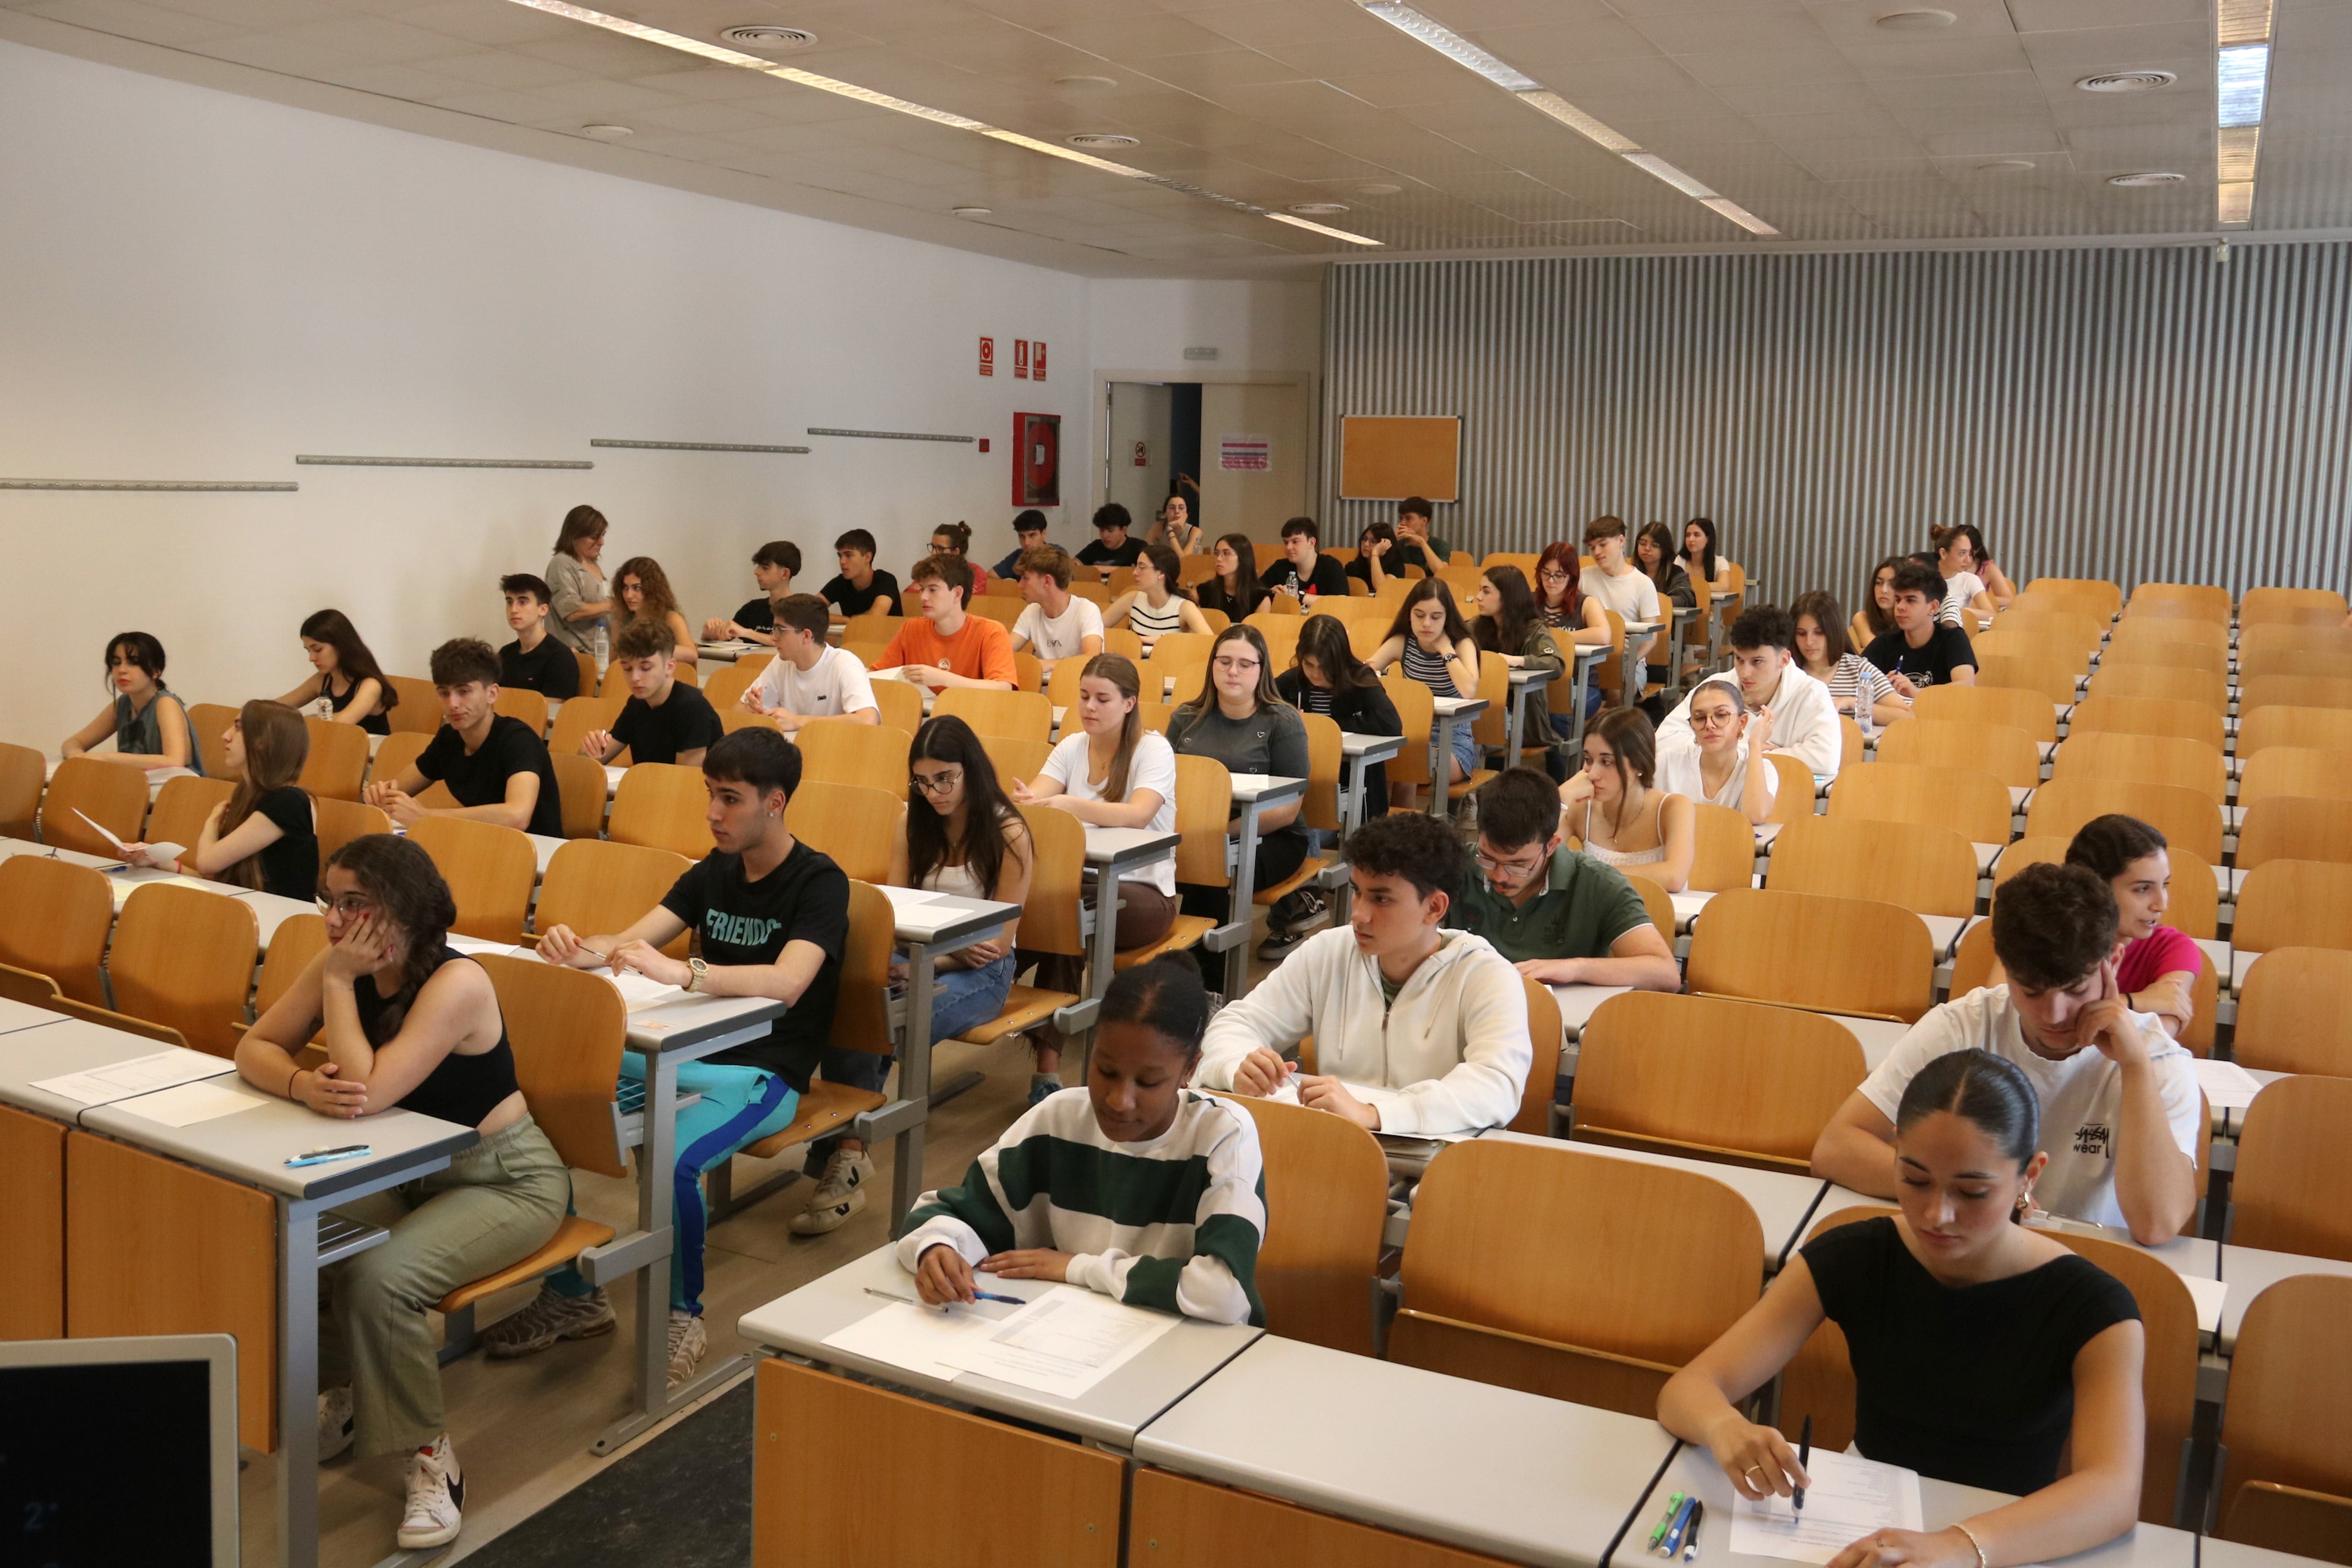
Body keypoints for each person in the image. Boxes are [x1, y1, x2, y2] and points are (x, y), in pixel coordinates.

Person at [1662, 1048, 2147, 1555]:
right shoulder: (1856, 1256)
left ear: (2030, 1175)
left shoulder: (2093, 1308)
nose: (1938, 1214)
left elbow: (2114, 1492)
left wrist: (1960, 1548)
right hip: (1866, 1518)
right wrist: (1726, 1426)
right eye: (1915, 1180)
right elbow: (1688, 1389)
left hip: (2015, 1534)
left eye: (1973, 1191)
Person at [235, 835, 569, 1551]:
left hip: (505, 1178)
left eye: (353, 903)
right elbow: (254, 1048)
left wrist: (334, 988)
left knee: (379, 1278)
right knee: (302, 1237)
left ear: (402, 910)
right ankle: (353, 1394)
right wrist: (298, 1082)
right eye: (331, 900)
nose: (333, 919)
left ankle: (431, 1457)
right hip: (405, 1173)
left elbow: (363, 1093)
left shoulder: (457, 983)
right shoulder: (345, 962)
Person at [505, 728, 849, 1382]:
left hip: (761, 1072)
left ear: (775, 803)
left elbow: (788, 980)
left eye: (731, 799)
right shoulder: (711, 871)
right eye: (710, 796)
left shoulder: (819, 881)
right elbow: (627, 945)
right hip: (674, 1054)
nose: (714, 814)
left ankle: (682, 1314)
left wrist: (685, 973)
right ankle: (576, 1298)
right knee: (531, 1114)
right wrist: (571, 947)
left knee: (669, 1162)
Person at [1811, 863, 2200, 1244]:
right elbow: (1836, 1148)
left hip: (2087, 1264)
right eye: (2030, 992)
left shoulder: (2156, 1058)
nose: (2054, 1014)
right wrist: (1989, 1199)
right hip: (1973, 1247)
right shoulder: (1963, 1025)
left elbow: (2157, 1225)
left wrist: (2135, 1067)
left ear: (2112, 962)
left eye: (2076, 991)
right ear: (2006, 970)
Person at [902, 952, 1264, 1325]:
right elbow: (939, 1214)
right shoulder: (1057, 1118)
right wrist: (938, 1247)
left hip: (1186, 1353)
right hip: (1064, 1337)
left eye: (1148, 1082)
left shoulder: (1224, 1137)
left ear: (1190, 1069)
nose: (1119, 1100)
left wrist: (1076, 1268)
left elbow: (1226, 1293)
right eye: (1106, 1071)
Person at [792, 716, 1033, 1235]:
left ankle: (845, 1147)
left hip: (985, 976)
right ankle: (849, 1147)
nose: (935, 792)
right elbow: (896, 911)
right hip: (922, 958)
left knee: (882, 1019)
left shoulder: (1008, 831)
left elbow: (998, 943)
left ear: (971, 771)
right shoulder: (911, 820)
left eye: (945, 778)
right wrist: (907, 958)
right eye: (923, 782)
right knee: (857, 999)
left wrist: (935, 959)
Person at [1196, 812, 1531, 1137]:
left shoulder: (1487, 976)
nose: (1358, 914)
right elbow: (1236, 1023)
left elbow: (1497, 1084)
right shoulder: (1328, 952)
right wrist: (1237, 1066)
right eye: (1357, 891)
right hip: (1336, 1148)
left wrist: (1375, 1114)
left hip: (1437, 1172)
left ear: (1435, 908)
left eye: (1381, 899)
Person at [1014, 654, 1179, 1103]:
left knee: (1064, 909)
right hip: (1082, 887)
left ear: (1129, 703)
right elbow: (1034, 799)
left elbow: (1139, 813)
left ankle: (1005, 988)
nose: (1090, 707)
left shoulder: (1153, 749)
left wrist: (1070, 806)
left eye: (1102, 699)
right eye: (1084, 696)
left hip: (1146, 895)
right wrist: (1028, 801)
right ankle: (1040, 1057)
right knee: (1061, 908)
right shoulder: (1071, 746)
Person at [1446, 767, 1680, 990]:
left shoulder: (1598, 883)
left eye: (1518, 865)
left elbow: (1666, 973)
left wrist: (1574, 968)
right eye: (1487, 858)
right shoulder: (1455, 865)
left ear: (1551, 846)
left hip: (1561, 1025)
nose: (1499, 875)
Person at [1167, 625, 1314, 956]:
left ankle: (1208, 984)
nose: (1233, 671)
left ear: (1261, 670)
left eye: (1245, 664)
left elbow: (1288, 810)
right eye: (1225, 662)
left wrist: (1216, 835)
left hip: (1274, 837)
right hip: (1192, 833)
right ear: (1212, 666)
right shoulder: (1185, 717)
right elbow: (1162, 787)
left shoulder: (1283, 722)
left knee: (1214, 866)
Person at [363, 640, 562, 837]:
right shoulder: (449, 738)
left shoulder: (518, 740)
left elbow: (518, 816)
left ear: (492, 694)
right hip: (481, 842)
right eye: (444, 693)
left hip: (536, 851)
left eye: (464, 692)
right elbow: (398, 789)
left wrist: (426, 816)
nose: (452, 704)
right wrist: (380, 796)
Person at [125, 700, 317, 899]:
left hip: (281, 922)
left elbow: (207, 863)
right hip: (252, 908)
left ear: (263, 742)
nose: (226, 736)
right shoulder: (247, 792)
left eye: (238, 728)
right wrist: (160, 861)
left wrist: (212, 823)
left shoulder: (289, 803)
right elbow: (223, 882)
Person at [1656, 605, 1844, 779]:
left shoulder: (1812, 694)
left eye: (1757, 662)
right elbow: (1663, 740)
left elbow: (1825, 760)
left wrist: (1720, 748)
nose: (1745, 673)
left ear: (1784, 660)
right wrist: (1748, 750)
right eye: (1739, 659)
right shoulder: (1716, 687)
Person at [2066, 815, 2199, 1039]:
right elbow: (2013, 1010)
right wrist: (2135, 1002)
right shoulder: (2043, 933)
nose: (2161, 904)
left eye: (2164, 885)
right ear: (2094, 887)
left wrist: (2079, 1012)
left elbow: (2157, 1038)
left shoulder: (2173, 947)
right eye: (2143, 889)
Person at [1275, 614, 1400, 820]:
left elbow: (1391, 724)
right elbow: (1262, 705)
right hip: (1305, 781)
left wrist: (1324, 727)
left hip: (1351, 781)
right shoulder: (1293, 681)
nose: (1315, 674)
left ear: (1340, 660)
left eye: (1325, 666)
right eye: (1309, 664)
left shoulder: (1360, 679)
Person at [1558, 707, 1696, 891]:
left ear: (1639, 763)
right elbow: (1537, 865)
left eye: (1606, 762)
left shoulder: (1674, 807)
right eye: (1588, 759)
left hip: (1660, 915)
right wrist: (1561, 799)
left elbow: (1674, 877)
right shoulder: (1579, 807)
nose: (1592, 774)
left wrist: (1587, 874)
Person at [1370, 578, 1482, 804]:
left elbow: (1469, 689)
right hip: (1412, 736)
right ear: (1409, 614)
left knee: (1408, 767)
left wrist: (1445, 650)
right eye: (1419, 615)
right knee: (1382, 763)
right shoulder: (1402, 642)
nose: (1426, 624)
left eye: (1435, 617)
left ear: (1447, 617)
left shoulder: (1462, 644)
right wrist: (1371, 673)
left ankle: (1408, 834)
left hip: (1454, 741)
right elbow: (1367, 670)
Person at [579, 620, 723, 768]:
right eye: (627, 669)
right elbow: (592, 761)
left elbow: (685, 782)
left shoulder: (692, 708)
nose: (635, 677)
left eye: (646, 668)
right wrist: (591, 749)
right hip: (652, 787)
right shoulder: (637, 703)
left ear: (670, 666)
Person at [1471, 565, 1567, 776]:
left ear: (1507, 597)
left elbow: (1556, 664)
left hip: (1523, 718)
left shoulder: (1533, 629)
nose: (1478, 597)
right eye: (1480, 590)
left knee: (1470, 733)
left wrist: (1518, 661)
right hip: (1484, 711)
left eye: (1486, 591)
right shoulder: (1477, 626)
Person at [60, 631, 199, 774]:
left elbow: (175, 761)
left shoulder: (166, 704)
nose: (122, 670)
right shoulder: (123, 704)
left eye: (133, 663)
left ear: (156, 671)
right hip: (137, 787)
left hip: (179, 790)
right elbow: (73, 743)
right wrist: (77, 756)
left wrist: (107, 759)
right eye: (116, 663)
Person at [872, 556, 1016, 690]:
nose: (923, 597)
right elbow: (879, 674)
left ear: (957, 594)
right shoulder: (910, 628)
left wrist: (944, 679)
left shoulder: (991, 632)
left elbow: (1003, 687)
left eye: (933, 590)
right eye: (922, 589)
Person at [1654, 676, 1778, 825]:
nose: (1709, 725)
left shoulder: (1763, 768)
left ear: (1742, 722)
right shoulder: (1666, 762)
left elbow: (1754, 816)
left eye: (1721, 715)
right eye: (1699, 718)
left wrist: (1756, 746)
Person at [743, 594, 881, 727]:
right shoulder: (780, 663)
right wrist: (752, 708)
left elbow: (868, 720)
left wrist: (798, 721)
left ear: (806, 636)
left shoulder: (844, 664)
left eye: (780, 630)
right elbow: (738, 709)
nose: (773, 637)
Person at [1792, 589, 1908, 726]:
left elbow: (1906, 716)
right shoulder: (1787, 672)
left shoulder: (1859, 669)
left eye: (1819, 633)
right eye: (1801, 634)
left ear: (1833, 631)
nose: (1809, 642)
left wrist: (1852, 703)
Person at [277, 609, 395, 734]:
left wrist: (307, 720)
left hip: (371, 752)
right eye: (309, 651)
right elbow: (279, 706)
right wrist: (258, 710)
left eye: (318, 650)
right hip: (339, 749)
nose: (312, 658)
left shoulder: (371, 685)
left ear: (341, 645)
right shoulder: (323, 679)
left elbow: (344, 721)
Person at [1866, 559, 1979, 690]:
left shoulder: (1953, 638)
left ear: (1933, 607)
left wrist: (1917, 693)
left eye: (1911, 600)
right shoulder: (1886, 641)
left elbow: (1965, 685)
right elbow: (1856, 677)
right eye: (1898, 600)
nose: (1900, 607)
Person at [1580, 515, 1665, 685]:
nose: (1597, 552)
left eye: (1603, 545)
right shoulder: (1583, 577)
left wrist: (1628, 662)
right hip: (1590, 657)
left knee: (1618, 687)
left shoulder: (1643, 583)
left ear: (1621, 540)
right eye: (1592, 547)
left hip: (1629, 658)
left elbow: (1652, 637)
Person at [1009, 545, 1105, 679]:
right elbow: (1002, 653)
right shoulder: (1031, 612)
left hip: (1077, 689)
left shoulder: (1086, 610)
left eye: (1026, 578)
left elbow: (1092, 659)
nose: (1020, 585)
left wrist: (1047, 664)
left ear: (1047, 581)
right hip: (1042, 691)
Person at [1107, 541, 1212, 654]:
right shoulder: (1132, 599)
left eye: (1142, 567)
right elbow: (1095, 627)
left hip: (1171, 667)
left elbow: (1210, 642)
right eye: (1136, 566)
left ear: (1161, 573)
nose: (1135, 572)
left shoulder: (1184, 607)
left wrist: (1156, 640)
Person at [544, 504, 614, 656]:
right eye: (595, 537)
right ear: (574, 536)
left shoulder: (593, 565)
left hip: (600, 655)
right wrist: (615, 605)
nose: (602, 542)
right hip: (575, 656)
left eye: (603, 535)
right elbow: (572, 611)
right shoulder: (562, 563)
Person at [497, 574, 581, 699]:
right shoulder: (505, 653)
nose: (514, 609)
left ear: (543, 610)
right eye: (509, 602)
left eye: (523, 602)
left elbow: (551, 710)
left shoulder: (560, 658)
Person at [700, 541, 799, 646]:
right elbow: (725, 636)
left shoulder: (800, 611)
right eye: (758, 566)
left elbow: (789, 643)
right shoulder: (752, 609)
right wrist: (710, 634)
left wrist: (747, 633)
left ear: (784, 574)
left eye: (765, 568)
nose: (757, 572)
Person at [612, 555, 697, 666]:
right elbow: (613, 663)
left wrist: (650, 649)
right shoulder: (621, 623)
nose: (629, 595)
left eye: (637, 588)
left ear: (652, 589)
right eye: (625, 587)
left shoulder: (671, 618)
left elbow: (692, 654)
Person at [1259, 516, 1349, 603]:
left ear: (1311, 543)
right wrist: (1270, 593)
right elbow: (1255, 591)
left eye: (1295, 542)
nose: (1289, 547)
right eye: (1286, 542)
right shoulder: (1280, 567)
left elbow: (1341, 602)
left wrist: (1299, 597)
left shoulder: (1331, 566)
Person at [822, 529, 901, 619]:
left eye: (848, 555)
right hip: (855, 632)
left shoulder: (886, 580)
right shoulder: (840, 582)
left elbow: (875, 617)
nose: (842, 561)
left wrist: (850, 620)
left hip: (888, 633)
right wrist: (847, 620)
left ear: (868, 557)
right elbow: (809, 612)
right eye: (840, 556)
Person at [1195, 531, 1270, 623]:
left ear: (1243, 558)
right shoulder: (1206, 590)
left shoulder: (1260, 597)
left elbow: (1257, 634)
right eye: (1217, 553)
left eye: (1226, 553)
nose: (1219, 559)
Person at [1935, 525, 1999, 628]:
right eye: (1962, 554)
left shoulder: (1970, 580)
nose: (1968, 560)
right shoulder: (1925, 578)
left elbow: (1990, 614)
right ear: (1943, 554)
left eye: (1969, 553)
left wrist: (1955, 611)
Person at [1636, 521, 1696, 609]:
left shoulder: (1676, 573)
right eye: (1643, 543)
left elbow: (1684, 599)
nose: (1647, 549)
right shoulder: (1631, 571)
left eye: (1654, 545)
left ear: (1664, 550)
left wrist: (1650, 600)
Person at [1344, 521, 1418, 592]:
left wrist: (1375, 554)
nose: (1366, 544)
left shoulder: (1396, 566)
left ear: (1385, 545)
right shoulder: (1352, 567)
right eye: (1364, 539)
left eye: (1373, 541)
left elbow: (1381, 588)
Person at [1076, 503, 1145, 571]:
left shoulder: (1137, 547)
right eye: (1102, 530)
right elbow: (1074, 566)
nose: (1105, 536)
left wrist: (1106, 569)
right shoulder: (1095, 547)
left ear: (1124, 530)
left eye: (1110, 531)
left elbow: (1146, 570)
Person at [927, 521, 991, 595]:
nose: (933, 553)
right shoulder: (928, 570)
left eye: (940, 549)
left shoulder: (976, 573)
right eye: (933, 547)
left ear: (955, 552)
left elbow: (969, 598)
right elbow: (912, 593)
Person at [1856, 555, 1907, 647]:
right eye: (1879, 583)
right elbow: (1875, 654)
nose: (1884, 590)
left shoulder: (1913, 622)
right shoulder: (1862, 618)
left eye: (1893, 584)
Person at [1679, 518, 1735, 598]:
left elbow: (1724, 586)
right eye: (1688, 535)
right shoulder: (1680, 560)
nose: (1691, 539)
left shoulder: (1720, 562)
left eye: (1696, 535)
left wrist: (1692, 586)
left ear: (1708, 539)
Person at [992, 509, 1049, 580]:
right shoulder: (1018, 556)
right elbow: (991, 577)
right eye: (1022, 536)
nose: (1026, 542)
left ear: (1044, 534)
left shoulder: (1057, 556)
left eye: (1032, 535)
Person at [1146, 484, 1202, 556]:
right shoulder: (1159, 526)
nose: (1177, 512)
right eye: (1172, 508)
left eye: (1181, 508)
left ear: (1187, 513)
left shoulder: (1195, 531)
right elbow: (1143, 551)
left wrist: (1170, 531)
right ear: (1165, 512)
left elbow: (1184, 561)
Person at [1397, 497, 1453, 563]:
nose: (1402, 523)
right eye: (1401, 519)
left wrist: (1422, 543)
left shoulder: (1440, 545)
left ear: (1424, 521)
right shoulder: (1399, 545)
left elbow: (1441, 571)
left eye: (1408, 519)